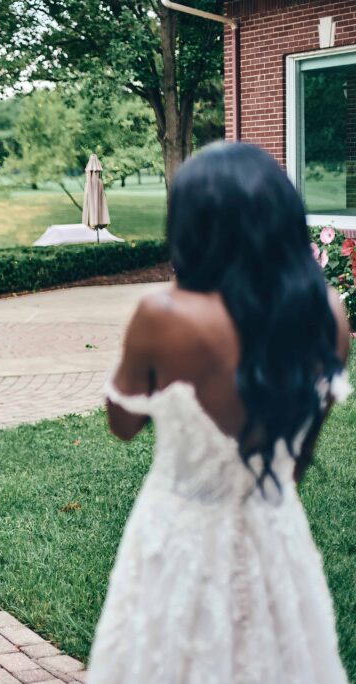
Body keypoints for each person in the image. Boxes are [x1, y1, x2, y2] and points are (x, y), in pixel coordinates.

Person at [89, 142, 351, 683]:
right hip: (275, 529)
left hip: (178, 537)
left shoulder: (162, 314)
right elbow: (298, 460)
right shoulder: (327, 314)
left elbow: (123, 424)